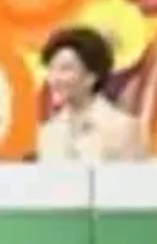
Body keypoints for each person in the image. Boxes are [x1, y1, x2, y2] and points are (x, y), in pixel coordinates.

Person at [37, 26, 144, 162]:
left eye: (65, 69)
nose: (55, 79)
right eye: (51, 69)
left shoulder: (122, 127)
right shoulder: (49, 131)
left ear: (91, 76)